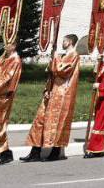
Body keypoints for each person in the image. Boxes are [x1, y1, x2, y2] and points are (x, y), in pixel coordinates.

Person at [22, 33, 81, 162]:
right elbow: (53, 73)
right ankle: (35, 152)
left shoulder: (74, 56)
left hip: (62, 94)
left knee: (56, 122)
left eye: (64, 41)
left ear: (70, 42)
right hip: (52, 91)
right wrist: (47, 88)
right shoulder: (63, 55)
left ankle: (55, 151)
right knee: (40, 120)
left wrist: (55, 58)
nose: (62, 43)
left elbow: (62, 71)